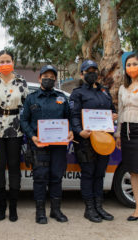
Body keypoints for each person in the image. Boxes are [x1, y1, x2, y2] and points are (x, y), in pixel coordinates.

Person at [20, 65, 73, 224]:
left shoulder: (62, 97)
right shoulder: (32, 98)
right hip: (39, 145)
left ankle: (56, 211)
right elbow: (23, 120)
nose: (48, 79)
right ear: (39, 78)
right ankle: (40, 212)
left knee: (56, 177)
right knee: (40, 178)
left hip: (58, 145)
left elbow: (69, 118)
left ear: (55, 79)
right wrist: (32, 136)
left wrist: (70, 131)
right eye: (45, 76)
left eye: (52, 76)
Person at [69, 60, 117, 223]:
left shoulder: (104, 91)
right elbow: (74, 116)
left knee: (99, 174)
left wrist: (113, 116)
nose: (91, 74)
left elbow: (112, 111)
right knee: (88, 174)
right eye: (87, 71)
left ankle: (99, 207)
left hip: (104, 140)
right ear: (82, 74)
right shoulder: (77, 93)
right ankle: (89, 209)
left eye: (94, 70)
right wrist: (79, 131)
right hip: (86, 141)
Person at [0, 50, 29, 222]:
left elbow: (27, 105)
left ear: (13, 62)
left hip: (15, 128)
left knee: (13, 166)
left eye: (8, 60)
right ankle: (1, 205)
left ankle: (13, 206)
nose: (5, 63)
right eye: (1, 61)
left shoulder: (21, 81)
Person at [115, 53, 138, 221]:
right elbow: (121, 111)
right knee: (133, 172)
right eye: (128, 65)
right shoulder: (123, 88)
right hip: (126, 133)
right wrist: (118, 134)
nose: (131, 67)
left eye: (135, 64)